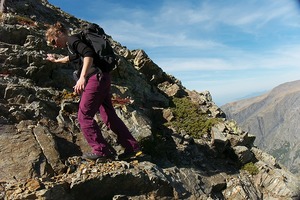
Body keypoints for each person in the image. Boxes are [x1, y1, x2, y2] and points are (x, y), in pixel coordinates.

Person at [45, 22, 141, 161]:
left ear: (59, 34)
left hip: (95, 79)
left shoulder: (72, 40)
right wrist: (55, 60)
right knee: (108, 115)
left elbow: (88, 54)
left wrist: (82, 78)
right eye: (51, 45)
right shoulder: (73, 44)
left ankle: (101, 151)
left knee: (84, 115)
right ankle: (132, 148)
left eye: (53, 41)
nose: (54, 45)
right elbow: (70, 58)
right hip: (103, 77)